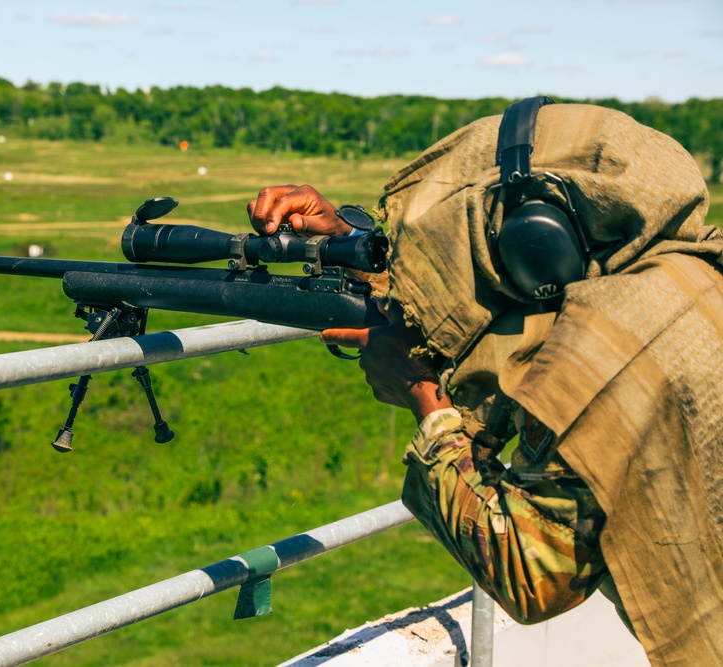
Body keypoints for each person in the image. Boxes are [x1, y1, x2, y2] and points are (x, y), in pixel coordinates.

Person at [248, 100, 723, 667]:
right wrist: (354, 244)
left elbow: (532, 574)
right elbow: (503, 325)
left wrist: (422, 397)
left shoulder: (611, 356)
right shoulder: (680, 276)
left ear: (537, 243)